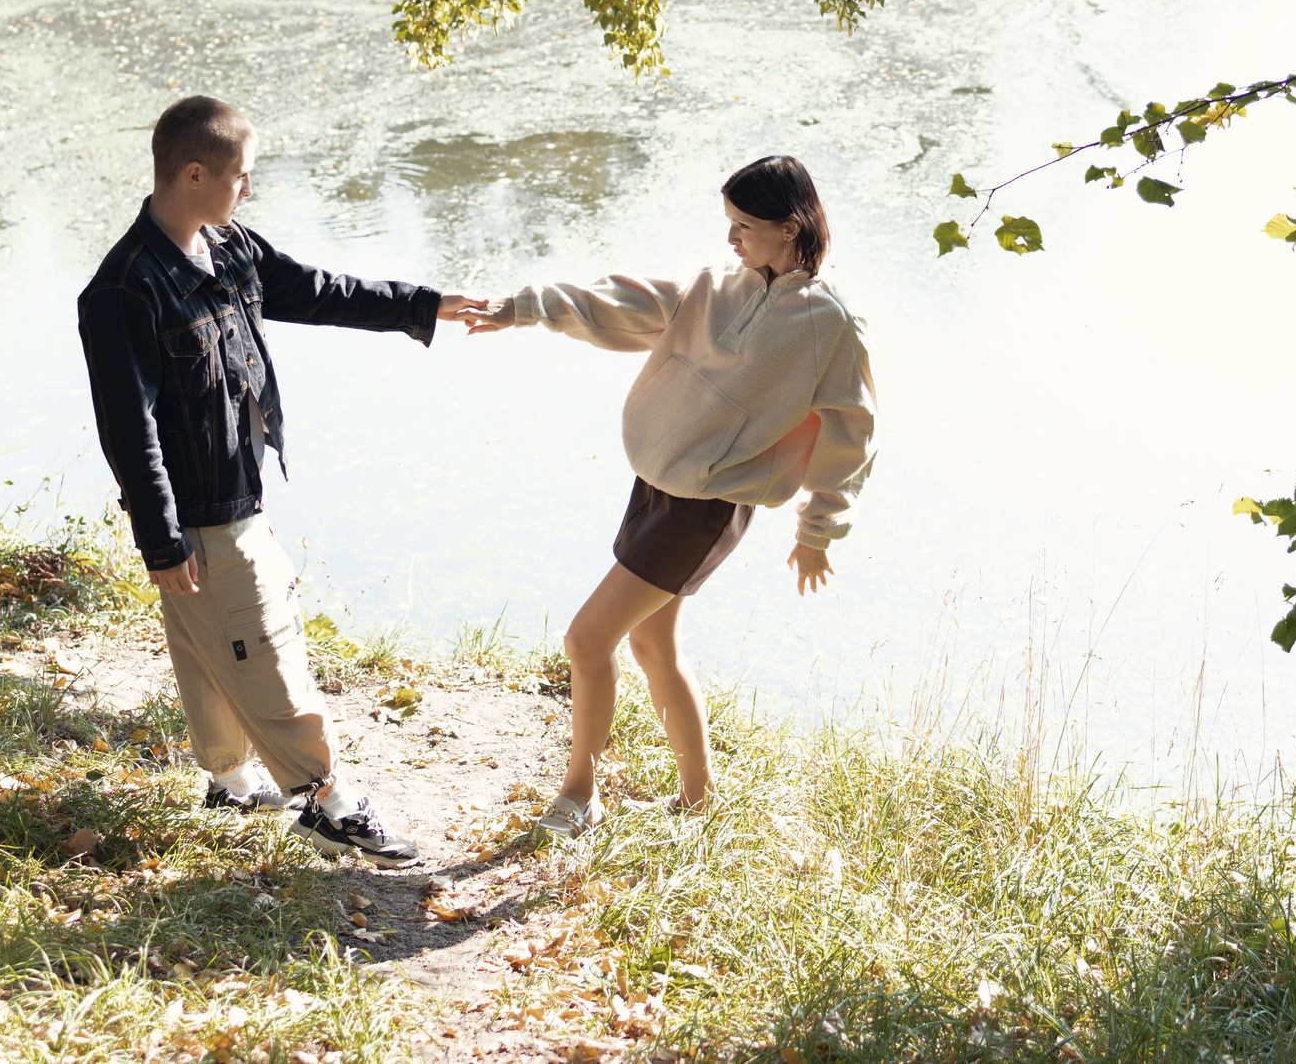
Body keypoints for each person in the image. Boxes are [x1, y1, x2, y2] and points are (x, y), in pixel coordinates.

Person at [78, 95, 490, 866]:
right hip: (201, 516)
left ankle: (231, 782)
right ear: (193, 173)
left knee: (206, 642)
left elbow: (318, 289)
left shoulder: (226, 245)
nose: (249, 190)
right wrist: (163, 539)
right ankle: (329, 799)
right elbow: (127, 428)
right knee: (263, 643)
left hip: (239, 494)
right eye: (243, 176)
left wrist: (421, 305)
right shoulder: (124, 290)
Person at [471, 154, 873, 835]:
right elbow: (623, 302)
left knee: (586, 638)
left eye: (744, 225)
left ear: (791, 227)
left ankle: (580, 792)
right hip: (656, 487)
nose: (731, 238)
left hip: (708, 505)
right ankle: (698, 797)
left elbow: (852, 429)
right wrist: (527, 307)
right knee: (653, 644)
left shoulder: (828, 324)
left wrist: (817, 530)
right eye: (728, 222)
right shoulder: (716, 287)